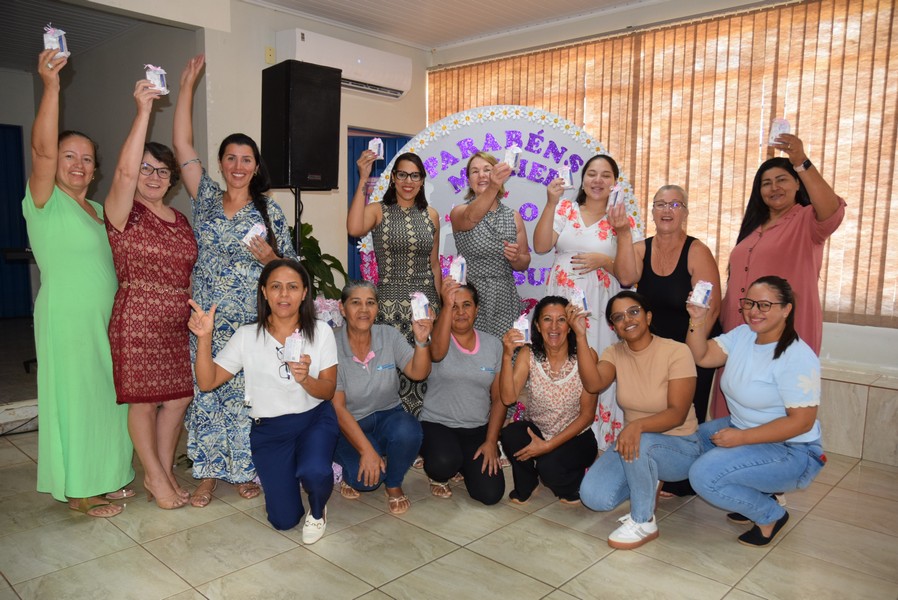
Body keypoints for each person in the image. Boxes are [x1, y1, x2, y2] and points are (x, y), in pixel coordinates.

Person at [173, 54, 297, 507]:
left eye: (247, 160)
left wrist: (271, 258)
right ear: (221, 164)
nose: (238, 166)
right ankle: (207, 474)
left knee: (248, 395)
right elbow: (182, 146)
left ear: (256, 166)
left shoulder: (269, 210)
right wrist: (187, 87)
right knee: (206, 394)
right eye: (231, 158)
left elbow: (292, 271)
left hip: (249, 320)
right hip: (207, 318)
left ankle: (248, 470)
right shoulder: (205, 197)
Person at [22, 50, 133, 517]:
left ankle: (106, 475)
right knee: (76, 397)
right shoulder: (44, 200)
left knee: (107, 397)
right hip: (67, 316)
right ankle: (79, 490)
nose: (78, 165)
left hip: (104, 319)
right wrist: (51, 85)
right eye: (69, 156)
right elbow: (42, 151)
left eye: (87, 159)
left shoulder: (97, 210)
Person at [189, 260, 338, 543]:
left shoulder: (321, 331)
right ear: (264, 292)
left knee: (315, 471)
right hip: (270, 431)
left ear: (304, 293)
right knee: (283, 520)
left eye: (292, 287)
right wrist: (204, 338)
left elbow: (328, 390)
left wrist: (305, 379)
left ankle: (318, 510)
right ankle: (294, 480)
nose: (284, 294)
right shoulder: (248, 336)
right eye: (276, 287)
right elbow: (208, 382)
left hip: (314, 420)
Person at [104, 80, 197, 510]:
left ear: (172, 178)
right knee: (143, 402)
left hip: (176, 323)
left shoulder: (179, 219)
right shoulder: (123, 211)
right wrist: (143, 110)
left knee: (178, 397)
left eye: (162, 170)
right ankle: (156, 478)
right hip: (138, 318)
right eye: (146, 168)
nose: (154, 176)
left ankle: (162, 470)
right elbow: (124, 175)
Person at [687, 276, 825, 547]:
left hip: (793, 450)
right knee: (689, 443)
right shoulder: (744, 335)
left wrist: (741, 438)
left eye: (764, 305)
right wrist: (697, 319)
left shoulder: (797, 356)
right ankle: (756, 493)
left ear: (786, 309)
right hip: (744, 428)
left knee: (703, 475)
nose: (753, 311)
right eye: (749, 303)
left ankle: (770, 515)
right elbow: (702, 356)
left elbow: (801, 423)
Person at [717, 135, 845, 416]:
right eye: (766, 183)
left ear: (798, 183)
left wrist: (801, 161)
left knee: (772, 412)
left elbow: (832, 211)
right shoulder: (753, 228)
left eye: (782, 180)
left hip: (782, 333)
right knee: (733, 409)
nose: (774, 187)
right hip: (739, 333)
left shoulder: (807, 220)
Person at [572, 292, 699, 549]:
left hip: (680, 446)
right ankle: (647, 480)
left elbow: (677, 413)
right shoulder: (614, 352)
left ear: (648, 316)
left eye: (633, 312)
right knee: (593, 497)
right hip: (635, 444)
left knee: (639, 440)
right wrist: (580, 336)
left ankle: (644, 520)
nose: (627, 320)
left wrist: (638, 427)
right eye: (618, 317)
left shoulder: (677, 351)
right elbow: (593, 384)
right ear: (614, 327)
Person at [534, 154, 642, 451]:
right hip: (561, 302)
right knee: (559, 360)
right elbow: (541, 246)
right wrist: (551, 202)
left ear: (615, 183)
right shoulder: (565, 209)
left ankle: (598, 441)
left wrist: (605, 261)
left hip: (598, 305)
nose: (598, 180)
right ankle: (555, 435)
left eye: (606, 175)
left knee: (595, 364)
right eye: (592, 174)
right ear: (582, 180)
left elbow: (629, 276)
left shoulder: (624, 220)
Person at [619, 185, 721, 496]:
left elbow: (712, 307)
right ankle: (661, 465)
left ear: (685, 212)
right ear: (651, 211)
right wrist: (622, 232)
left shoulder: (697, 251)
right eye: (660, 204)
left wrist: (692, 354)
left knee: (687, 414)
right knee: (659, 410)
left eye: (675, 204)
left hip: (693, 346)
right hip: (657, 350)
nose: (667, 210)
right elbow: (625, 278)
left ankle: (686, 477)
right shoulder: (641, 248)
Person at [347, 150, 441, 417]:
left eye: (415, 176)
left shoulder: (431, 215)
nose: (408, 181)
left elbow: (434, 264)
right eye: (402, 175)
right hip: (389, 309)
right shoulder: (378, 210)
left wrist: (440, 306)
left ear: (422, 180)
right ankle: (389, 427)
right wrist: (363, 178)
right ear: (393, 179)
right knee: (389, 373)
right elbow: (353, 228)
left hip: (424, 310)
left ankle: (419, 430)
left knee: (423, 373)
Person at [332, 281, 432, 514]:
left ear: (377, 308)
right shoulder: (331, 344)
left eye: (370, 303)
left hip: (388, 416)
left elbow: (418, 372)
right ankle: (352, 462)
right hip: (349, 424)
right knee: (366, 481)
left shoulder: (388, 335)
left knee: (409, 430)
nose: (364, 309)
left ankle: (394, 483)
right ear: (342, 308)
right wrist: (366, 450)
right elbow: (338, 408)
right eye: (355, 303)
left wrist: (421, 341)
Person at [498, 296, 598, 504]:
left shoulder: (586, 356)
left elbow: (587, 416)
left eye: (561, 320)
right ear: (537, 325)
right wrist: (507, 356)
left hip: (576, 437)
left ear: (570, 326)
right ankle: (527, 482)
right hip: (538, 431)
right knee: (510, 434)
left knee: (550, 469)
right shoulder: (528, 354)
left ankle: (572, 480)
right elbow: (508, 398)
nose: (554, 327)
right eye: (547, 319)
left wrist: (548, 446)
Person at [418, 279, 505, 505]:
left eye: (466, 305)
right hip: (437, 424)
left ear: (476, 309)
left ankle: (464, 465)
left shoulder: (494, 345)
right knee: (443, 463)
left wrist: (491, 441)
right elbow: (436, 353)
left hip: (476, 429)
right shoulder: (436, 338)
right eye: (453, 306)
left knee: (490, 494)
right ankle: (443, 469)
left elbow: (499, 399)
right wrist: (445, 305)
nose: (460, 312)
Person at [451, 151, 531, 340]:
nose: (481, 175)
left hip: (504, 296)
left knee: (506, 351)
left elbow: (525, 262)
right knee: (472, 351)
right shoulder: (460, 212)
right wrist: (493, 186)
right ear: (468, 180)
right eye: (475, 171)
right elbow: (472, 217)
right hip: (470, 298)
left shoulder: (513, 216)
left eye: (487, 170)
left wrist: (516, 258)